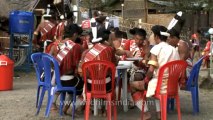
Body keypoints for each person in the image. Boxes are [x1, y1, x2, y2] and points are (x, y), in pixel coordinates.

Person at [130, 25, 180, 120]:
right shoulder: (174, 49)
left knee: (133, 85)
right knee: (154, 81)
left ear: (156, 36)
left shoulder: (156, 49)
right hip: (172, 86)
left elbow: (151, 70)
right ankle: (159, 113)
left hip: (160, 85)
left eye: (152, 34)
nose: (152, 36)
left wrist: (145, 80)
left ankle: (146, 113)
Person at [78, 29, 118, 116]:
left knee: (90, 80)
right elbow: (114, 64)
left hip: (90, 86)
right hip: (106, 85)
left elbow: (81, 71)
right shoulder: (109, 50)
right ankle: (105, 109)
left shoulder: (85, 52)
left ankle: (98, 108)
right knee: (110, 79)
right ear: (104, 39)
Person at [50, 24, 84, 115]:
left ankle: (53, 103)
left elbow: (50, 59)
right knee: (81, 83)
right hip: (67, 80)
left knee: (73, 80)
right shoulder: (76, 47)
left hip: (54, 78)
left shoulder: (56, 44)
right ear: (75, 34)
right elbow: (77, 65)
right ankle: (69, 107)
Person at [166, 11, 193, 89]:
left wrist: (183, 80)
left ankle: (168, 95)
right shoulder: (173, 45)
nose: (168, 41)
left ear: (174, 38)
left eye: (169, 39)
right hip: (178, 68)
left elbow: (182, 64)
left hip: (186, 70)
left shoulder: (181, 45)